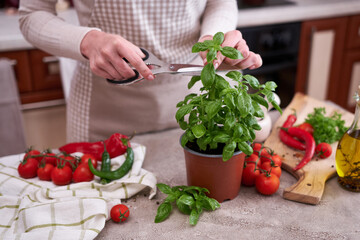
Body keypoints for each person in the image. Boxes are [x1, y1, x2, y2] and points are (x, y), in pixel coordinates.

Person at [19, 0, 262, 142]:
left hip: (193, 105)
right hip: (103, 111)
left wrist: (214, 37)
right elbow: (32, 15)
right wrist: (88, 40)